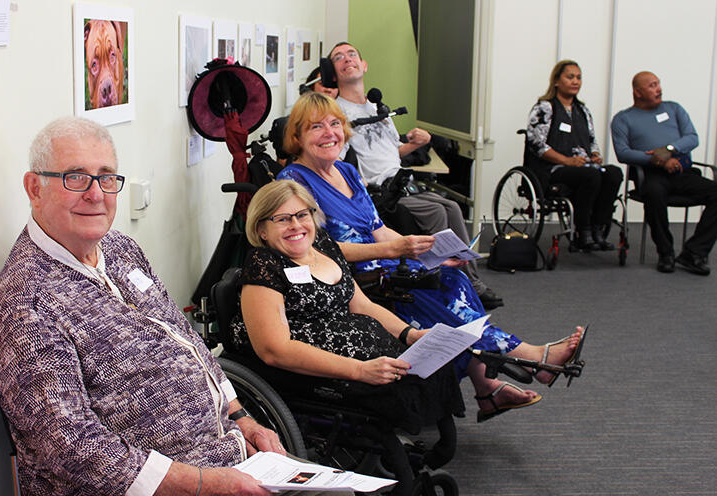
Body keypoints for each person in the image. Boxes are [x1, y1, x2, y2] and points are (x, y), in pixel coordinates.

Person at [0, 117, 355, 496]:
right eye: (76, 178)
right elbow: (72, 446)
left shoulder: (120, 249)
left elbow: (183, 334)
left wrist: (239, 414)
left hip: (219, 454)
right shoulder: (28, 304)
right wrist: (201, 485)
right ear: (34, 188)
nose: (96, 194)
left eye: (107, 178)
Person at [276, 92, 586, 423]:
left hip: (387, 261)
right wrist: (397, 250)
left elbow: (379, 229)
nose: (329, 133)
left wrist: (429, 253)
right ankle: (529, 359)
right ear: (297, 137)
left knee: (454, 277)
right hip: (350, 276)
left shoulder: (348, 172)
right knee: (439, 292)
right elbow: (316, 252)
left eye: (335, 124)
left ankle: (486, 385)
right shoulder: (293, 182)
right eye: (316, 127)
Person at [231, 179, 461, 458]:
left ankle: (435, 450)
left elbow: (362, 304)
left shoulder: (324, 246)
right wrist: (358, 370)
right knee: (397, 388)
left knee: (431, 364)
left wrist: (408, 334)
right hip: (315, 372)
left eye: (303, 215)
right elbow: (274, 350)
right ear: (261, 230)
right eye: (282, 219)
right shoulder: (263, 265)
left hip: (366, 355)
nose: (296, 225)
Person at [329, 42, 504, 310]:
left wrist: (416, 143)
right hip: (381, 192)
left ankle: (470, 280)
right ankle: (453, 285)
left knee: (453, 207)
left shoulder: (378, 107)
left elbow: (392, 152)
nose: (346, 59)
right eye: (338, 58)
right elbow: (336, 159)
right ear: (334, 72)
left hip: (402, 182)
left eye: (352, 54)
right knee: (436, 214)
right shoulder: (337, 113)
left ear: (363, 65)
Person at [611, 71, 717, 275]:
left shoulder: (674, 109)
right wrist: (657, 160)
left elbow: (692, 138)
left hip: (682, 173)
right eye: (652, 85)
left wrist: (668, 150)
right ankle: (666, 253)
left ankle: (694, 253)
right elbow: (623, 153)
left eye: (658, 84)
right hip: (651, 175)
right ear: (638, 92)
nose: (658, 89)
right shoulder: (623, 119)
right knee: (654, 193)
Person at [526, 60, 623, 251]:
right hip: (553, 169)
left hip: (582, 166)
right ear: (556, 81)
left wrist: (595, 154)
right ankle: (583, 231)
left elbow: (592, 140)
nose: (575, 81)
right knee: (591, 176)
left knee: (614, 173)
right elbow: (536, 144)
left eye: (578, 77)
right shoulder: (544, 108)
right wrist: (567, 161)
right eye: (570, 77)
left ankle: (598, 229)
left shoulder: (583, 111)